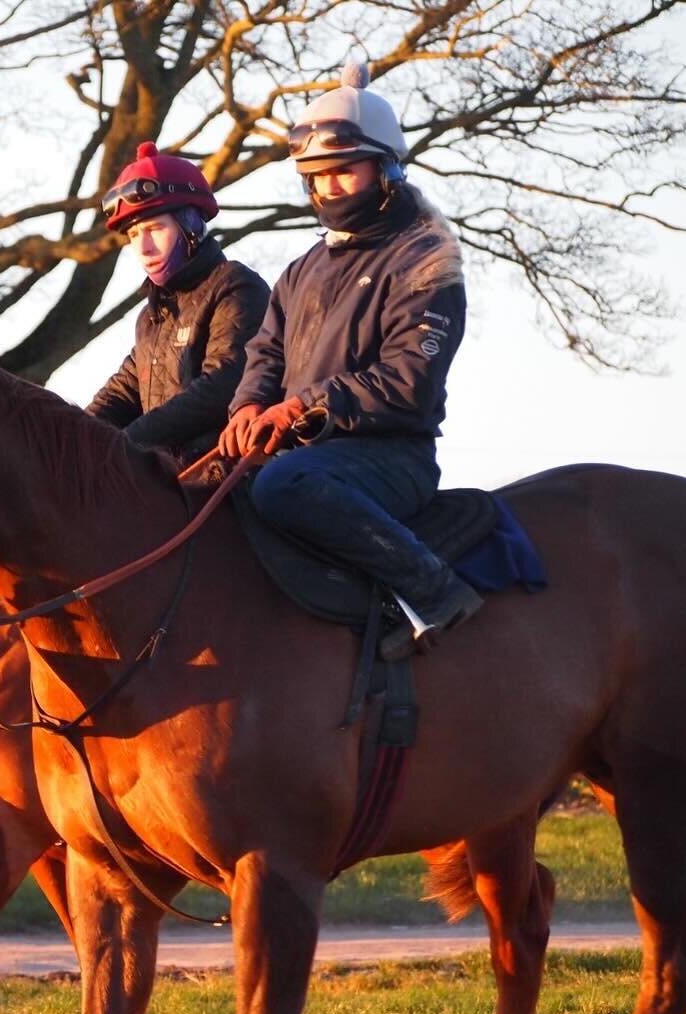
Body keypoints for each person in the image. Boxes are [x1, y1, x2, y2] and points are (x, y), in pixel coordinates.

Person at [217, 60, 480, 657]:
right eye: (317, 176)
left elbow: (409, 379)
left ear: (385, 168)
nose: (328, 187)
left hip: (390, 457)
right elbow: (265, 352)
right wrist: (247, 408)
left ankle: (432, 591)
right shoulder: (302, 269)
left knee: (283, 484)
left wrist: (301, 408)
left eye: (344, 171)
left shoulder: (427, 260)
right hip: (308, 452)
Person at [88, 143, 270, 465]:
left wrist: (126, 445)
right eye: (132, 235)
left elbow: (222, 385)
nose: (143, 247)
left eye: (155, 229)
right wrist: (68, 434)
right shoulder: (151, 317)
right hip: (168, 479)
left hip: (227, 474)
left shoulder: (235, 286)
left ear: (191, 226)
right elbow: (121, 394)